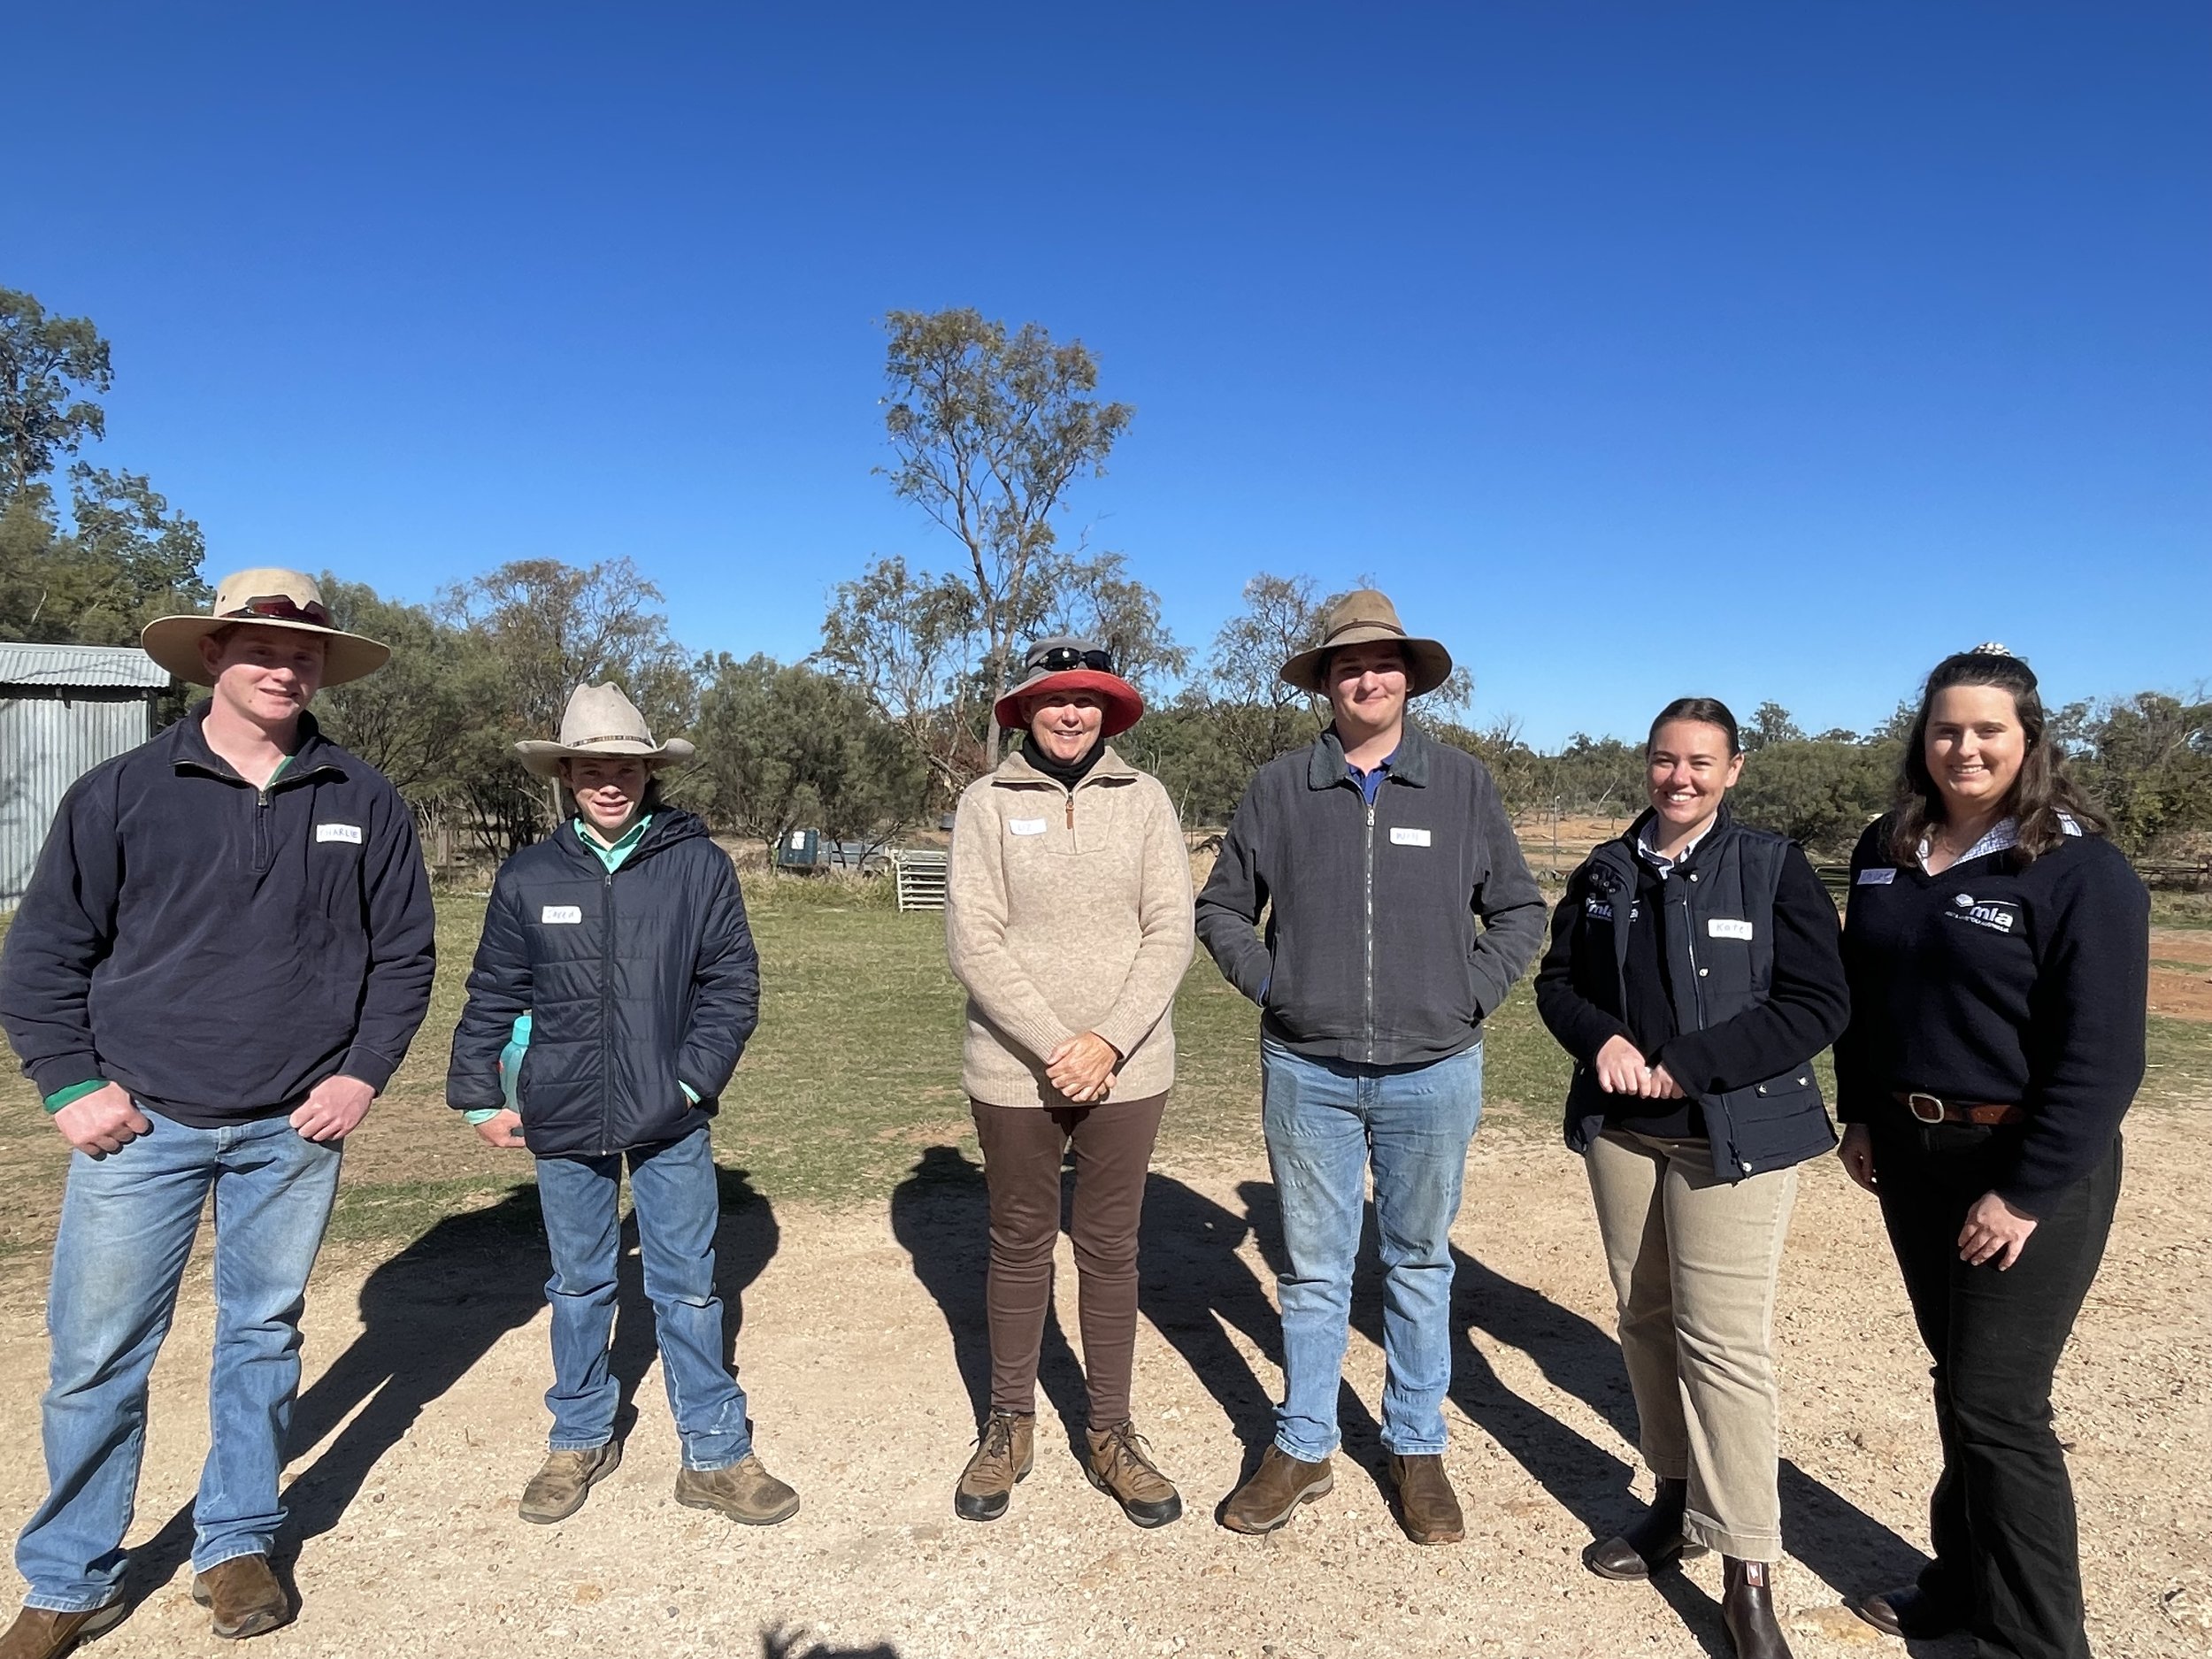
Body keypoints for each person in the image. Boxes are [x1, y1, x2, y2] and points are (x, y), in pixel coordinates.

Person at [0, 570, 435, 1654]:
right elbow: (46, 954)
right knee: (99, 1353)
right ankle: (69, 1577)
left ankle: (238, 1541)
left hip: (294, 1130)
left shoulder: (361, 797)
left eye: (302, 653)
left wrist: (362, 1075)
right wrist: (68, 1083)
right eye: (259, 649)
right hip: (137, 1123)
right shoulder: (121, 791)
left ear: (323, 666)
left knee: (260, 1336)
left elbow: (405, 958)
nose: (283, 667)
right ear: (210, 660)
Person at [1194, 589, 1546, 1544]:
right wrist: (1275, 986)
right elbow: (1222, 907)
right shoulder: (1280, 787)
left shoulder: (1461, 783)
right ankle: (1303, 1443)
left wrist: (1465, 993)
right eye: (1347, 666)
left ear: (1408, 678)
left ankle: (1415, 1444)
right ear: (1325, 682)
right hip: (1306, 1068)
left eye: (1382, 664)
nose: (1366, 678)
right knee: (1311, 1270)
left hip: (1434, 1068)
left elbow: (1518, 910)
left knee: (1418, 1263)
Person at [1834, 646, 2146, 1659]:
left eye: (1986, 731)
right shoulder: (1886, 846)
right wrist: (1862, 1111)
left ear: (2028, 741)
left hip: (2019, 1167)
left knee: (1998, 1403)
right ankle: (1961, 1582)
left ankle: (2037, 1640)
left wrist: (2022, 1193)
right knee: (1954, 1375)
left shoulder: (2075, 868)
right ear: (1920, 739)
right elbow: (1863, 1000)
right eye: (1944, 729)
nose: (1963, 747)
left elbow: (2101, 1060)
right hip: (1910, 1154)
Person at [1534, 697, 1849, 1659]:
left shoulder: (1769, 866)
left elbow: (1818, 1002)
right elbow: (1558, 984)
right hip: (1627, 1134)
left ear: (1733, 770)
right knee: (1641, 1320)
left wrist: (1692, 1062)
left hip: (1730, 1136)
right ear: (1647, 764)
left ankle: (1746, 1565)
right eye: (1666, 761)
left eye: (1700, 763)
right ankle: (1671, 1505)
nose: (1680, 778)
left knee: (1721, 1345)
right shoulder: (1605, 868)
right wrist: (1606, 1042)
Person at [446, 684, 796, 1528]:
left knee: (687, 1283)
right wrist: (475, 1095)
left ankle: (713, 1452)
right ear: (567, 774)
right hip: (560, 1109)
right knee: (578, 1282)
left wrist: (688, 1081)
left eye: (626, 767)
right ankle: (578, 1437)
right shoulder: (529, 874)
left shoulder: (698, 865)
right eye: (592, 767)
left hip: (669, 1111)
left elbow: (731, 985)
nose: (610, 781)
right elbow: (495, 988)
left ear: (648, 773)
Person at [943, 637, 1195, 1527]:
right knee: (1017, 1240)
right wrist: (1058, 1043)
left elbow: (1171, 927)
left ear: (1108, 713)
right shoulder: (984, 803)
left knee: (1108, 1246)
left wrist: (1108, 1041)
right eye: (1053, 700)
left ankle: (1112, 1432)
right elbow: (973, 937)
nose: (1071, 714)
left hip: (1129, 1070)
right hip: (1014, 1069)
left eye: (1087, 701)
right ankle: (1009, 1422)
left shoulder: (1146, 800)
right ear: (1024, 711)